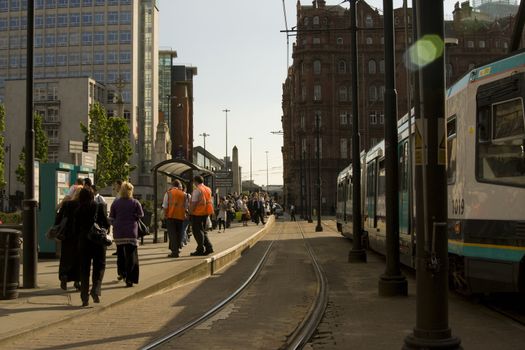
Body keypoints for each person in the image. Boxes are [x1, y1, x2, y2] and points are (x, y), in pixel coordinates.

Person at [75, 187, 110, 306]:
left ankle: (84, 297)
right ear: (92, 195)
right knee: (99, 266)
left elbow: (75, 227)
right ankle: (95, 289)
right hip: (97, 241)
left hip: (83, 242)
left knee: (84, 269)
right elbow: (106, 223)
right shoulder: (98, 206)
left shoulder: (78, 208)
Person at [109, 181, 143, 287]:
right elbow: (141, 215)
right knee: (131, 256)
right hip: (131, 231)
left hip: (119, 231)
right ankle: (130, 278)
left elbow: (111, 218)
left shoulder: (116, 202)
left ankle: (122, 273)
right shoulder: (135, 202)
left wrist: (115, 223)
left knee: (120, 254)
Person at [55, 187, 82, 291]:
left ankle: (64, 276)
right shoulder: (83, 205)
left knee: (65, 257)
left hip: (66, 236)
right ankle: (77, 281)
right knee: (78, 258)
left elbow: (58, 218)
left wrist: (56, 229)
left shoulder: (67, 204)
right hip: (79, 236)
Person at [189, 175, 214, 256]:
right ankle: (209, 247)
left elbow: (194, 203)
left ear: (196, 181)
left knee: (197, 232)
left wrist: (190, 212)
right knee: (202, 231)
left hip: (197, 213)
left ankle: (200, 249)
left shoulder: (197, 190)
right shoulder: (208, 189)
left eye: (194, 182)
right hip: (206, 213)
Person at [162, 179, 186, 258]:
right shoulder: (184, 194)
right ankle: (177, 249)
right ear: (179, 186)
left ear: (172, 185)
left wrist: (165, 215)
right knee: (179, 234)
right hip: (181, 217)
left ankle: (175, 252)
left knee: (172, 235)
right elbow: (186, 206)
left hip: (171, 216)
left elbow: (165, 206)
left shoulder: (168, 193)